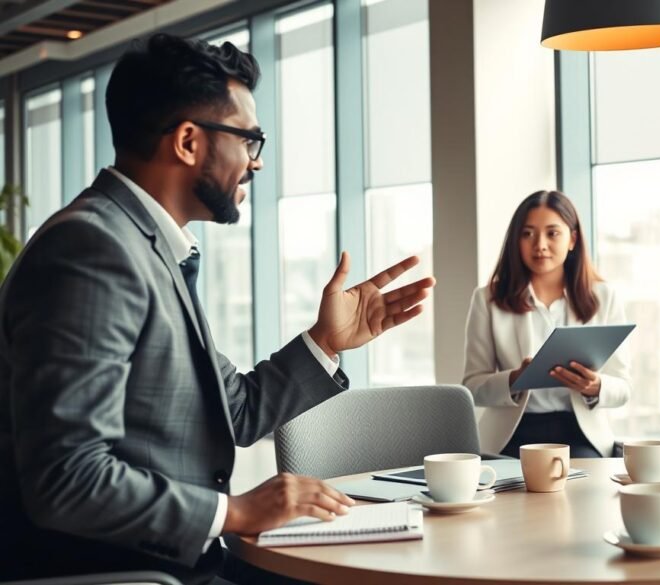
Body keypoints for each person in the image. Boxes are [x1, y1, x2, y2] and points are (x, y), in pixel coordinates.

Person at [0, 34, 434, 584]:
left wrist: (326, 342)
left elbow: (238, 411)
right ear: (188, 141)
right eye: (250, 140)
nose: (255, 164)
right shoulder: (93, 251)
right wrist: (236, 512)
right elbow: (68, 477)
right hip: (130, 572)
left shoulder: (147, 248)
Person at [463, 190, 631, 459]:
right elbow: (472, 387)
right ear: (516, 241)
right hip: (511, 433)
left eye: (552, 233)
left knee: (584, 489)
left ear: (572, 239)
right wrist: (514, 380)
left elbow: (623, 388)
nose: (539, 244)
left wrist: (595, 386)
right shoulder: (487, 299)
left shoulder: (604, 297)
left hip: (580, 433)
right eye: (527, 234)